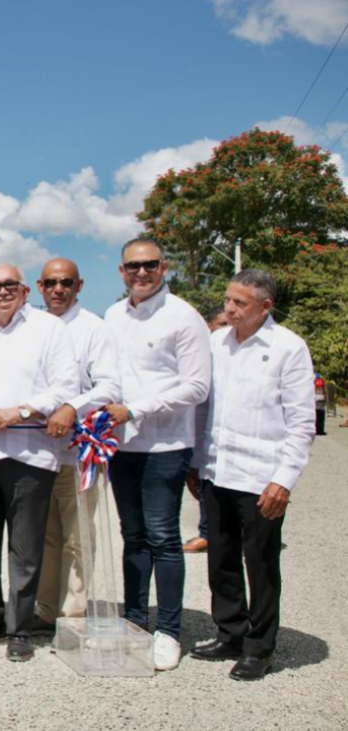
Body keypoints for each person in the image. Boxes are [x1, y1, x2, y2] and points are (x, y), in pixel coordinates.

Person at [187, 269, 314, 681]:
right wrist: (196, 460)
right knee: (221, 559)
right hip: (218, 470)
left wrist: (284, 479)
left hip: (262, 477)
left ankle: (260, 646)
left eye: (239, 303)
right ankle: (230, 632)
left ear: (265, 307)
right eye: (227, 300)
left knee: (259, 563)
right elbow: (204, 407)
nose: (228, 309)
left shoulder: (288, 348)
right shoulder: (215, 344)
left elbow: (301, 423)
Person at [0, 264, 78, 663]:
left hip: (30, 453)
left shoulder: (48, 328)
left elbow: (65, 387)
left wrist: (22, 410)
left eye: (10, 285)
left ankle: (20, 628)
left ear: (25, 291)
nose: (2, 292)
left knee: (24, 547)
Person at [102, 238, 211, 671]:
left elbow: (197, 386)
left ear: (164, 266)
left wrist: (139, 409)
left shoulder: (184, 317)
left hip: (165, 444)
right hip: (121, 445)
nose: (142, 273)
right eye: (133, 266)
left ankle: (168, 630)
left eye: (149, 265)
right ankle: (134, 619)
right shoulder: (112, 315)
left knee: (163, 537)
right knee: (132, 535)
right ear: (122, 270)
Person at [32, 259, 120, 632]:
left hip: (78, 451)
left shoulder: (93, 329)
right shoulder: (31, 329)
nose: (58, 289)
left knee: (78, 537)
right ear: (39, 286)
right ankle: (43, 609)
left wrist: (71, 407)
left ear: (79, 285)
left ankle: (73, 612)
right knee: (44, 535)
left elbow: (108, 387)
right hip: (35, 450)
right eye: (50, 282)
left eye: (65, 282)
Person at [184, 307, 228, 555]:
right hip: (206, 433)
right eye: (222, 324)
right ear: (209, 327)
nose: (228, 329)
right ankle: (206, 533)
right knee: (206, 485)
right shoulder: (204, 354)